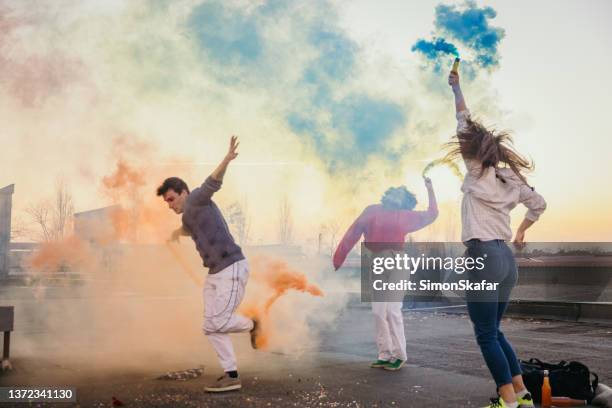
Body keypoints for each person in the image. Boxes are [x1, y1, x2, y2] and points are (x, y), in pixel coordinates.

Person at [447, 71, 547, 408]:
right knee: (495, 331)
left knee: (485, 334)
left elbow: (463, 120)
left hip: (483, 257)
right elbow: (540, 204)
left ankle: (506, 400)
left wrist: (457, 87)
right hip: (506, 261)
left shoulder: (477, 170)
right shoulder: (512, 179)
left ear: (475, 149)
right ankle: (521, 393)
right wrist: (521, 231)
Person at [157, 136, 260, 393]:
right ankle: (231, 374)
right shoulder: (190, 216)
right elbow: (187, 228)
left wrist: (226, 159)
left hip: (231, 267)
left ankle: (252, 323)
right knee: (210, 326)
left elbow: (212, 183)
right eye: (166, 202)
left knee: (219, 322)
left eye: (171, 199)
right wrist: (175, 235)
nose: (169, 205)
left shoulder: (196, 200)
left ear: (183, 193)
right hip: (215, 274)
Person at [333, 178, 438, 371]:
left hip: (397, 262)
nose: (394, 196)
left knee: (392, 310)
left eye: (399, 195)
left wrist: (430, 189)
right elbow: (352, 232)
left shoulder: (405, 215)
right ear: (387, 194)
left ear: (405, 201)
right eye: (392, 192)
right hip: (377, 263)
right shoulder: (371, 210)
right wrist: (338, 258)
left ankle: (400, 355)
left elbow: (432, 214)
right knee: (378, 312)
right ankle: (384, 354)